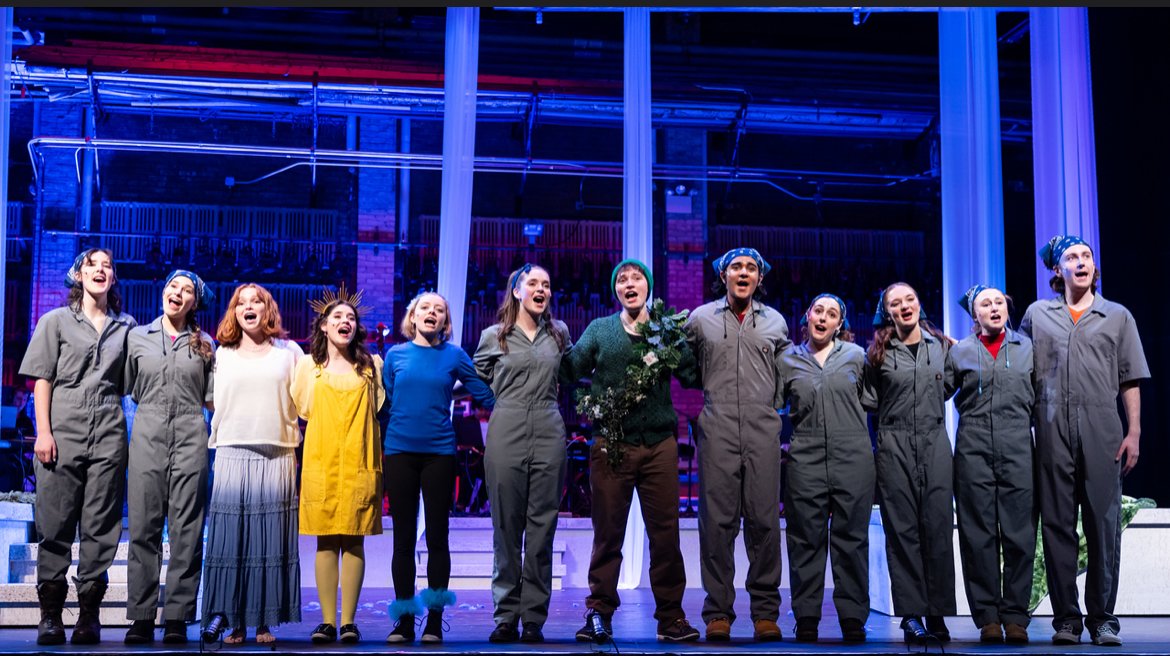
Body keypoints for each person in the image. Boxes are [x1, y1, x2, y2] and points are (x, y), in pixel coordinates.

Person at [1020, 235, 1149, 647]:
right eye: (1071, 257)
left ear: (1095, 266)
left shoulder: (1117, 316)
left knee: (1103, 525)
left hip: (1102, 426)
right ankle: (1067, 620)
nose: (1081, 261)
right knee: (1057, 525)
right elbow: (1016, 369)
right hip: (1052, 425)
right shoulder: (1037, 315)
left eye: (1087, 255)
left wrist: (1134, 432)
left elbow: (1130, 377)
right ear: (1057, 270)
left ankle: (1103, 617)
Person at [565, 258, 701, 644]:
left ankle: (671, 618)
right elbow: (569, 369)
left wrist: (687, 341)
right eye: (622, 279)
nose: (629, 283)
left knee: (665, 536)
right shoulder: (600, 330)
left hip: (659, 445)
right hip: (612, 445)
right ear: (616, 291)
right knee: (608, 534)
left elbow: (692, 376)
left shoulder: (663, 330)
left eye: (636, 277)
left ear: (648, 287)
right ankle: (599, 614)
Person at [19, 249, 137, 645]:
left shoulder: (126, 327)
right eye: (92, 265)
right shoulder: (54, 321)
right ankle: (50, 616)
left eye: (107, 266)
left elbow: (132, 382)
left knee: (101, 528)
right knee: (54, 525)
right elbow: (42, 380)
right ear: (78, 275)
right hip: (63, 429)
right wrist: (44, 432)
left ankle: (89, 616)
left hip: (108, 432)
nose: (100, 270)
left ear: (114, 278)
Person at [681, 248, 789, 642]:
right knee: (717, 524)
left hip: (763, 428)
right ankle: (718, 613)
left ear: (760, 278)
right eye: (736, 267)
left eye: (751, 268)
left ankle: (765, 612)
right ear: (723, 275)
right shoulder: (700, 319)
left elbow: (783, 378)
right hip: (718, 426)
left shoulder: (775, 322)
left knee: (763, 522)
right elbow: (685, 367)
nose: (743, 273)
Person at [383, 291, 495, 644]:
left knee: (437, 537)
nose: (432, 313)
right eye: (425, 308)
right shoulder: (395, 355)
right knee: (402, 539)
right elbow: (388, 398)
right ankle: (403, 621)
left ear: (445, 322)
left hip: (439, 455)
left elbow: (484, 392)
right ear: (412, 317)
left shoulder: (454, 356)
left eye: (440, 310)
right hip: (399, 451)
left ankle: (433, 620)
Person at [473, 264, 572, 644]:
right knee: (507, 527)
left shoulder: (558, 333)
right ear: (517, 291)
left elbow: (572, 373)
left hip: (548, 426)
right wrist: (498, 402)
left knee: (542, 527)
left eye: (547, 284)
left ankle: (533, 617)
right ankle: (505, 616)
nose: (541, 289)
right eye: (533, 283)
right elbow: (476, 375)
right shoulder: (494, 336)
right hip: (507, 428)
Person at [201, 283, 303, 645]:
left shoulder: (289, 352)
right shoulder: (221, 354)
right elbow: (209, 399)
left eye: (256, 301)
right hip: (231, 450)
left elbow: (306, 400)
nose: (249, 307)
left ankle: (264, 622)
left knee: (269, 541)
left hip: (278, 453)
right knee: (232, 543)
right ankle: (234, 622)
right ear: (233, 312)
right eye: (241, 302)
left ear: (268, 310)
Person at [123, 270, 216, 645]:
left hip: (192, 437)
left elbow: (212, 399)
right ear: (163, 292)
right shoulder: (137, 338)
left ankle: (177, 616)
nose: (177, 293)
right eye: (172, 287)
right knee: (143, 528)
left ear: (195, 302)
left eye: (187, 290)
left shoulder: (204, 344)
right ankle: (142, 616)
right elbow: (129, 388)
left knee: (187, 532)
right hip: (147, 435)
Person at [773, 294, 872, 643]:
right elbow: (774, 405)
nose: (824, 317)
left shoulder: (857, 357)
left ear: (839, 325)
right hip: (806, 457)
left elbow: (873, 398)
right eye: (819, 310)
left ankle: (853, 618)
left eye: (832, 314)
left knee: (852, 540)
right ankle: (807, 617)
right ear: (808, 316)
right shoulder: (789, 360)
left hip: (853, 455)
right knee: (805, 541)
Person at [861, 281, 955, 644]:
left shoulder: (942, 347)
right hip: (894, 443)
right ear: (887, 312)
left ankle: (937, 612)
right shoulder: (878, 355)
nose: (904, 307)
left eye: (910, 299)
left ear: (919, 304)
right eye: (895, 303)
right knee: (902, 532)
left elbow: (947, 387)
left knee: (938, 528)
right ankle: (911, 614)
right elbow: (870, 399)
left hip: (934, 442)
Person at [292, 286, 385, 645]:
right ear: (324, 327)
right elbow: (303, 408)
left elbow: (377, 407)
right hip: (322, 461)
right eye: (337, 317)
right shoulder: (308, 367)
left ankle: (349, 622)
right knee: (326, 542)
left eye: (350, 317)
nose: (345, 321)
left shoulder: (371, 367)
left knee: (356, 541)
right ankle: (328, 621)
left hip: (360, 462)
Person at [944, 284, 1036, 644]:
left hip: (1017, 444)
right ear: (974, 314)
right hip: (974, 446)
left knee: (1019, 534)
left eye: (1000, 302)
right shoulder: (961, 352)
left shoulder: (1026, 348)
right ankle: (988, 617)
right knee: (978, 534)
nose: (995, 308)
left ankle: (1015, 616)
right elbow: (938, 390)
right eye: (986, 303)